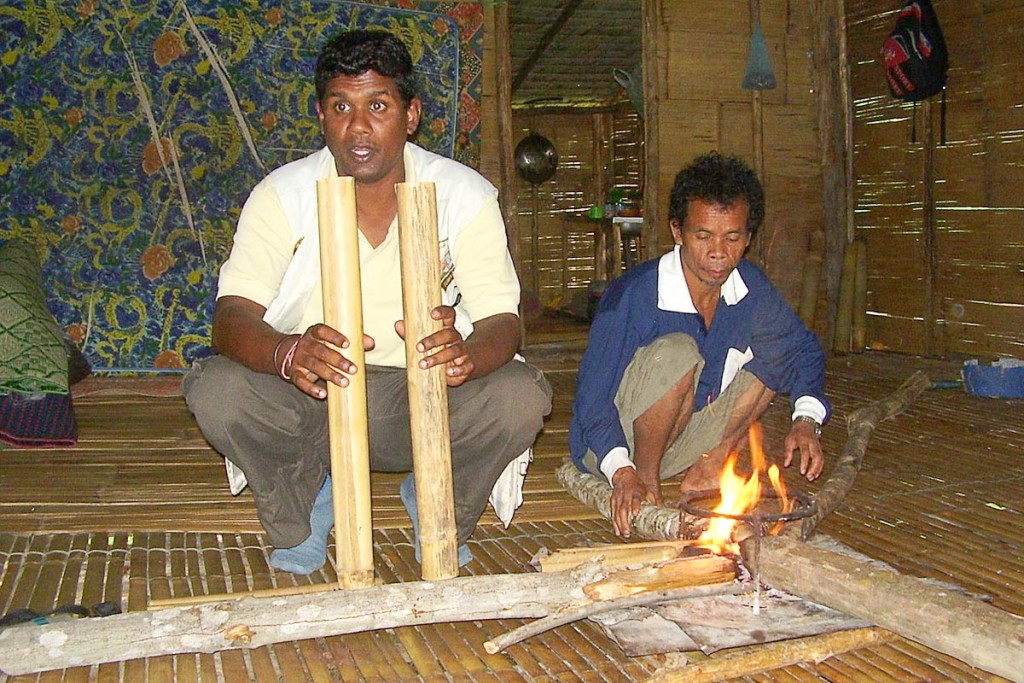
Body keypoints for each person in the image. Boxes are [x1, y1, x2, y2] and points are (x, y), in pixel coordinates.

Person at [184, 29, 552, 575]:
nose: (358, 127)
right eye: (341, 107)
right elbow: (231, 316)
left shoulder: (462, 194)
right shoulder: (281, 194)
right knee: (216, 388)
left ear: (411, 115)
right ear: (321, 114)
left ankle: (438, 506)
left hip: (422, 397)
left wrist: (468, 354)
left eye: (377, 105)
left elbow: (503, 320)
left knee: (520, 397)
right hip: (316, 397)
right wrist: (288, 353)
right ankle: (306, 506)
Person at [568, 151, 829, 538]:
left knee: (774, 357)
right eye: (703, 236)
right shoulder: (636, 296)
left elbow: (802, 349)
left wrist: (806, 421)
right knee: (678, 351)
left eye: (733, 237)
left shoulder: (749, 288)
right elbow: (591, 401)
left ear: (749, 237)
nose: (718, 252)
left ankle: (712, 463)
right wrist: (621, 472)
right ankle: (646, 477)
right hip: (609, 447)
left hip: (684, 435)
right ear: (678, 232)